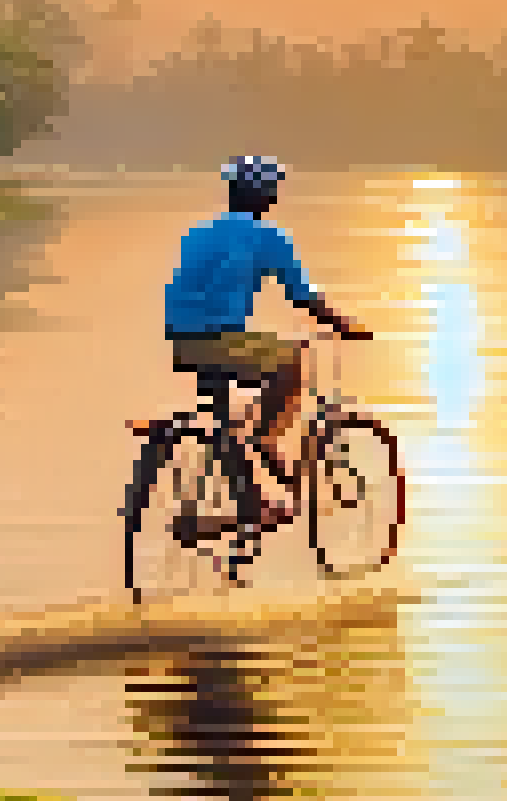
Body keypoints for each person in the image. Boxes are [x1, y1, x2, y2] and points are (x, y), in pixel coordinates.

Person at [136, 156, 369, 526]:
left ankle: (249, 501)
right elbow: (302, 297)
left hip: (182, 339)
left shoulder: (200, 231)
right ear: (269, 196)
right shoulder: (269, 237)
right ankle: (266, 438)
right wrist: (344, 326)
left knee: (223, 422)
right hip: (220, 338)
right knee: (292, 360)